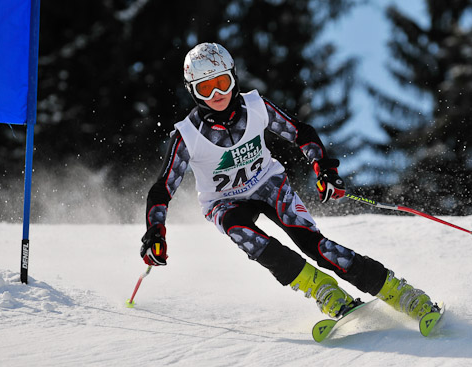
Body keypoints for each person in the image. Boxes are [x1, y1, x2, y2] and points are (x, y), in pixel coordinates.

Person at [140, 42, 439, 320]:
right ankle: (322, 289)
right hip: (223, 202)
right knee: (245, 235)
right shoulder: (187, 135)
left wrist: (322, 167)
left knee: (314, 245)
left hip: (269, 185)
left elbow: (300, 132)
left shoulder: (255, 107)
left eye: (222, 83)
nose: (217, 94)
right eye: (206, 88)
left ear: (233, 79)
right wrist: (155, 232)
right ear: (193, 92)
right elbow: (163, 188)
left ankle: (398, 291)